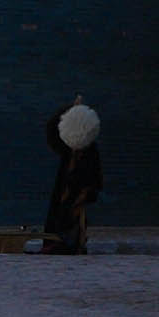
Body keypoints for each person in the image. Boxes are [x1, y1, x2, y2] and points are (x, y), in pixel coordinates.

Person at [40, 99, 103, 253]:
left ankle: (70, 242)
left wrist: (84, 194)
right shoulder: (69, 154)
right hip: (69, 189)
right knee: (63, 214)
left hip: (77, 190)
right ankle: (63, 241)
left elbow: (92, 176)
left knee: (72, 216)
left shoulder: (87, 153)